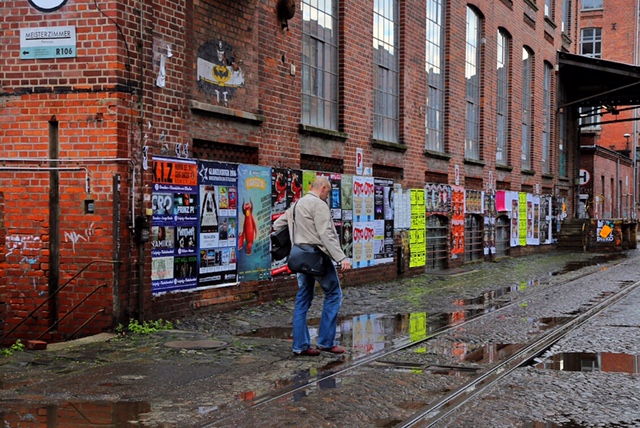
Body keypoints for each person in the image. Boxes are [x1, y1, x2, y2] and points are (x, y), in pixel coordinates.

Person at [273, 177, 352, 356]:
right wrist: (341, 258)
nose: (327, 196)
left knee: (303, 298)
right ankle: (325, 341)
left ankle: (300, 346)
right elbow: (326, 234)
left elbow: (278, 225)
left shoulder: (297, 204)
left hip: (299, 257)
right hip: (317, 257)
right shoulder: (319, 205)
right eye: (328, 192)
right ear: (323, 188)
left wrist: (297, 232)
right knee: (333, 294)